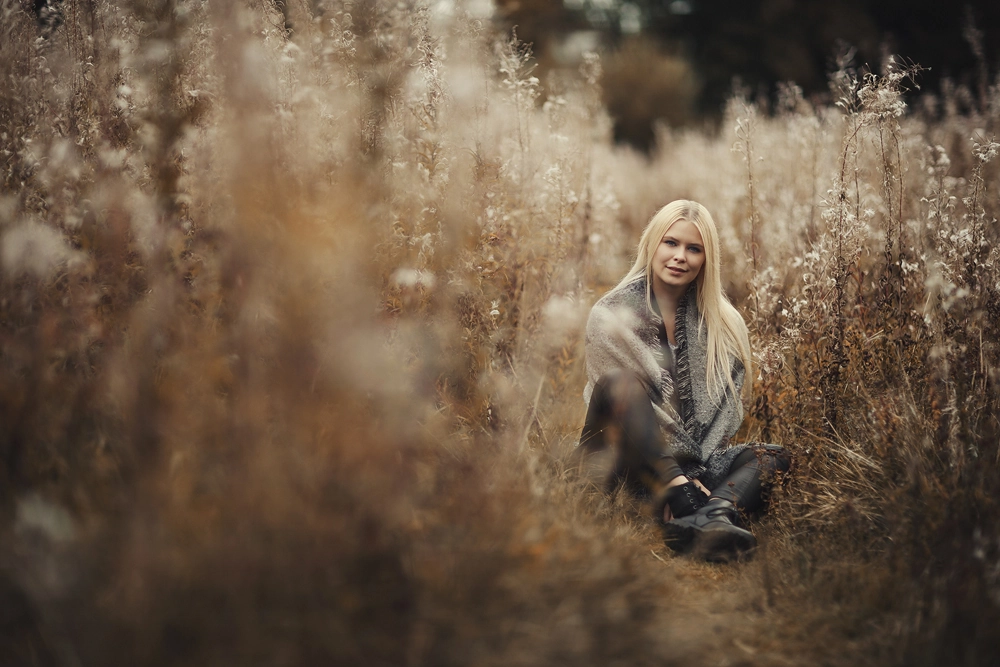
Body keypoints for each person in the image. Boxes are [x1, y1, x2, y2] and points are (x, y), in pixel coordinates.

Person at [578, 200, 790, 563]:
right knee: (621, 384)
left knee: (772, 457)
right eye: (671, 243)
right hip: (623, 457)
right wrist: (680, 481)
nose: (680, 256)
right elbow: (619, 410)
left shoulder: (724, 325)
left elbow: (718, 426)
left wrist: (693, 470)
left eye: (694, 249)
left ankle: (713, 516)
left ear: (707, 259)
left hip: (695, 462)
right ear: (652, 245)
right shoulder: (611, 314)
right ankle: (687, 500)